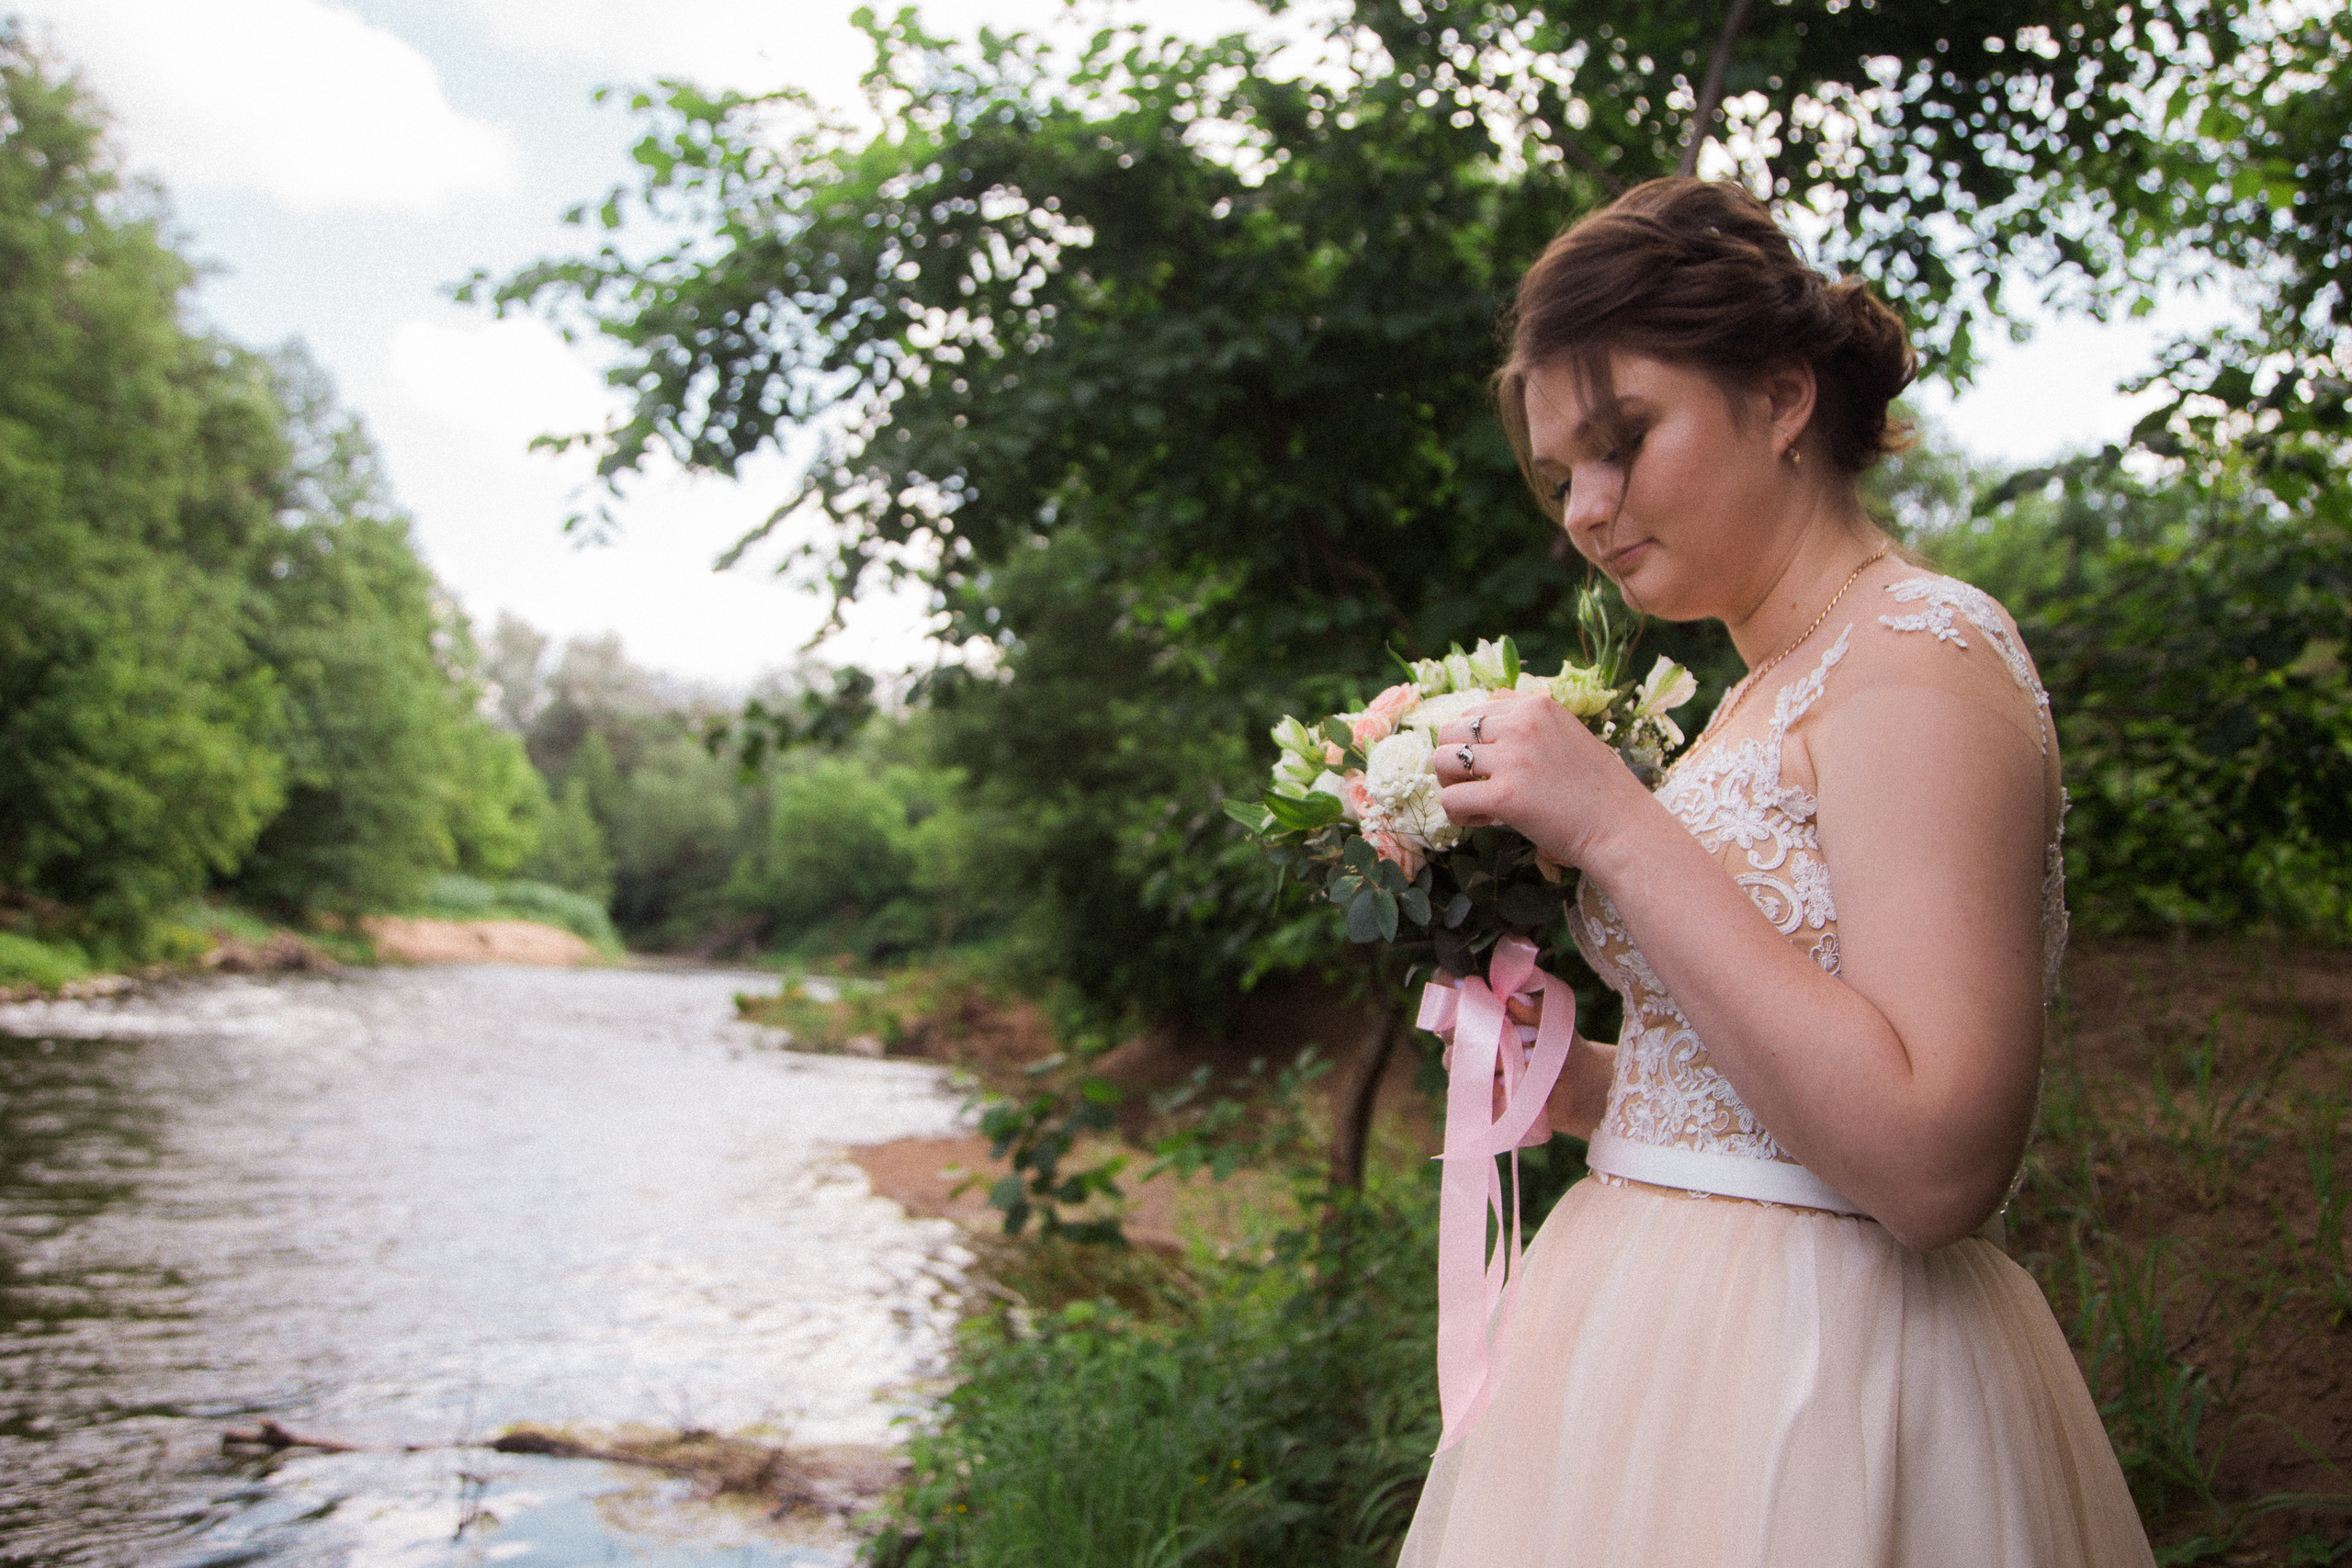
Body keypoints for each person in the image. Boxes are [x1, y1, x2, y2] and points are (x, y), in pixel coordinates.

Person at [1396, 178, 2154, 1567]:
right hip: (1636, 1353)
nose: (1586, 509)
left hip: (1822, 1378)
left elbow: (1933, 1162)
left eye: (1624, 441)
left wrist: (1617, 826)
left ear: (1786, 398)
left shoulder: (1921, 657)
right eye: (1564, 473)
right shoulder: (1757, 697)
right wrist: (1594, 1087)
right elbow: (1772, 1099)